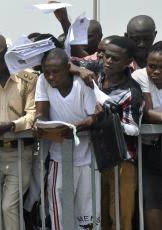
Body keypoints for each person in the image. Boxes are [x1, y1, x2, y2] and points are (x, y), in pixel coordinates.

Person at [77, 36, 143, 230]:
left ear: (128, 61)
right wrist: (78, 69)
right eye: (105, 56)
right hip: (98, 157)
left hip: (122, 161)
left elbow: (134, 128)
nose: (108, 61)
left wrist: (109, 118)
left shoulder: (132, 91)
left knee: (121, 218)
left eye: (115, 59)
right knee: (100, 216)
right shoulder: (97, 70)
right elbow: (66, 61)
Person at [34, 48, 100, 229]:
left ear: (68, 68)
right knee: (59, 211)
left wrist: (76, 128)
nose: (51, 76)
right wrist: (38, 124)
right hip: (59, 158)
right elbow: (41, 113)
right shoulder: (42, 81)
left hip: (87, 158)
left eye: (56, 72)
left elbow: (94, 116)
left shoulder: (82, 82)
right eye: (47, 72)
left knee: (88, 214)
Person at [0, 34, 36, 230]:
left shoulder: (27, 78)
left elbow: (32, 115)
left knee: (8, 206)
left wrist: (10, 126)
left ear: (4, 55)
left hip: (20, 152)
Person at [132, 41, 162, 230]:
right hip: (148, 151)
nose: (156, 72)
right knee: (151, 201)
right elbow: (148, 113)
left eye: (161, 68)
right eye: (152, 66)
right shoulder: (139, 76)